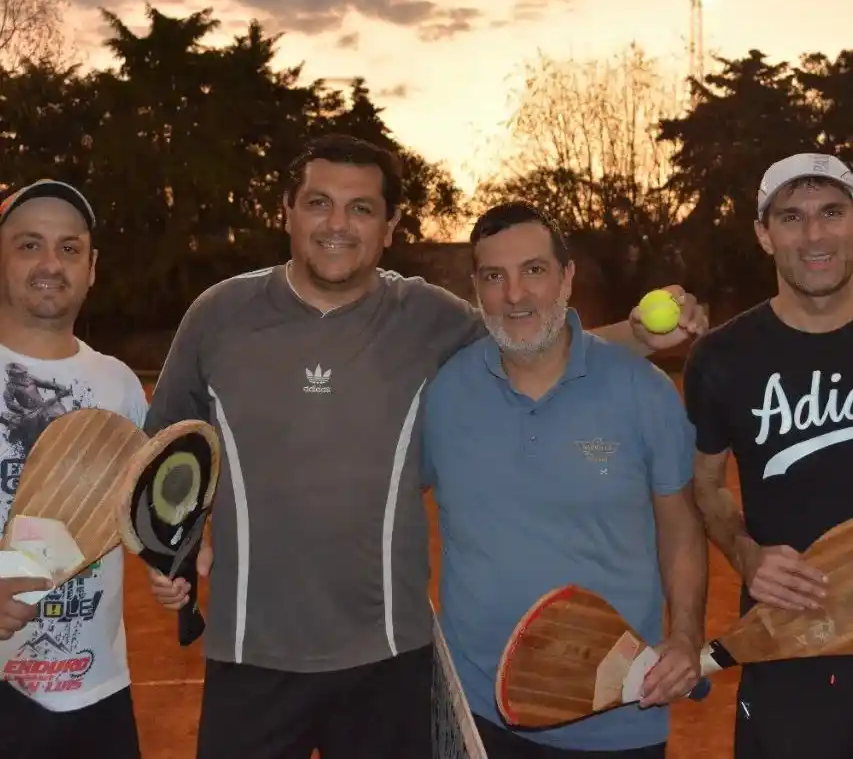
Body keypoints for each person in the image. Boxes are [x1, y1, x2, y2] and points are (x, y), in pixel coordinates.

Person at [144, 133, 709, 759]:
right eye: (318, 203)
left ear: (390, 227)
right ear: (287, 212)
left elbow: (530, 338)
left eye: (361, 208)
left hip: (388, 663)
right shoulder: (218, 315)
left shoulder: (427, 316)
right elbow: (166, 450)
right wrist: (178, 542)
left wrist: (636, 336)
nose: (338, 224)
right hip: (249, 654)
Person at [421, 201, 707, 758]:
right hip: (477, 714)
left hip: (617, 714)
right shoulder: (445, 392)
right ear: (476, 289)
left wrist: (686, 635)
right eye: (494, 277)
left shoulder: (644, 391)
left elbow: (681, 528)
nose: (515, 294)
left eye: (534, 270)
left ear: (567, 278)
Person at [683, 152, 853, 759]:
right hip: (787, 638)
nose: (815, 236)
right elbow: (706, 485)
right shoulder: (722, 358)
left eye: (832, 212)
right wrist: (747, 555)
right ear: (764, 234)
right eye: (791, 217)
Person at [0, 179, 148, 759]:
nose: (50, 264)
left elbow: (135, 516)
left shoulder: (119, 385)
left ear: (91, 268)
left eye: (69, 248)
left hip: (97, 691)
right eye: (28, 244)